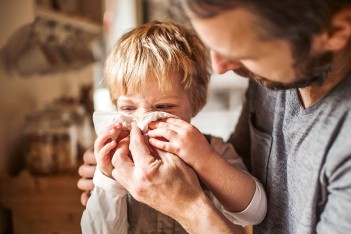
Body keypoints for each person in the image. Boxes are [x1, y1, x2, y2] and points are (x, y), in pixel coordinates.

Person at [78, 0, 351, 233]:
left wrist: (188, 204)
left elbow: (253, 208)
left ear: (336, 31)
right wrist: (106, 180)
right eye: (127, 108)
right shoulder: (271, 76)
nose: (219, 68)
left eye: (244, 51)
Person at [80, 20, 267, 233]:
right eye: (129, 108)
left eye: (163, 107)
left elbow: (255, 213)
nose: (143, 121)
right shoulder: (119, 161)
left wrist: (204, 159)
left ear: (194, 104)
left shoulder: (214, 150)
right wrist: (106, 179)